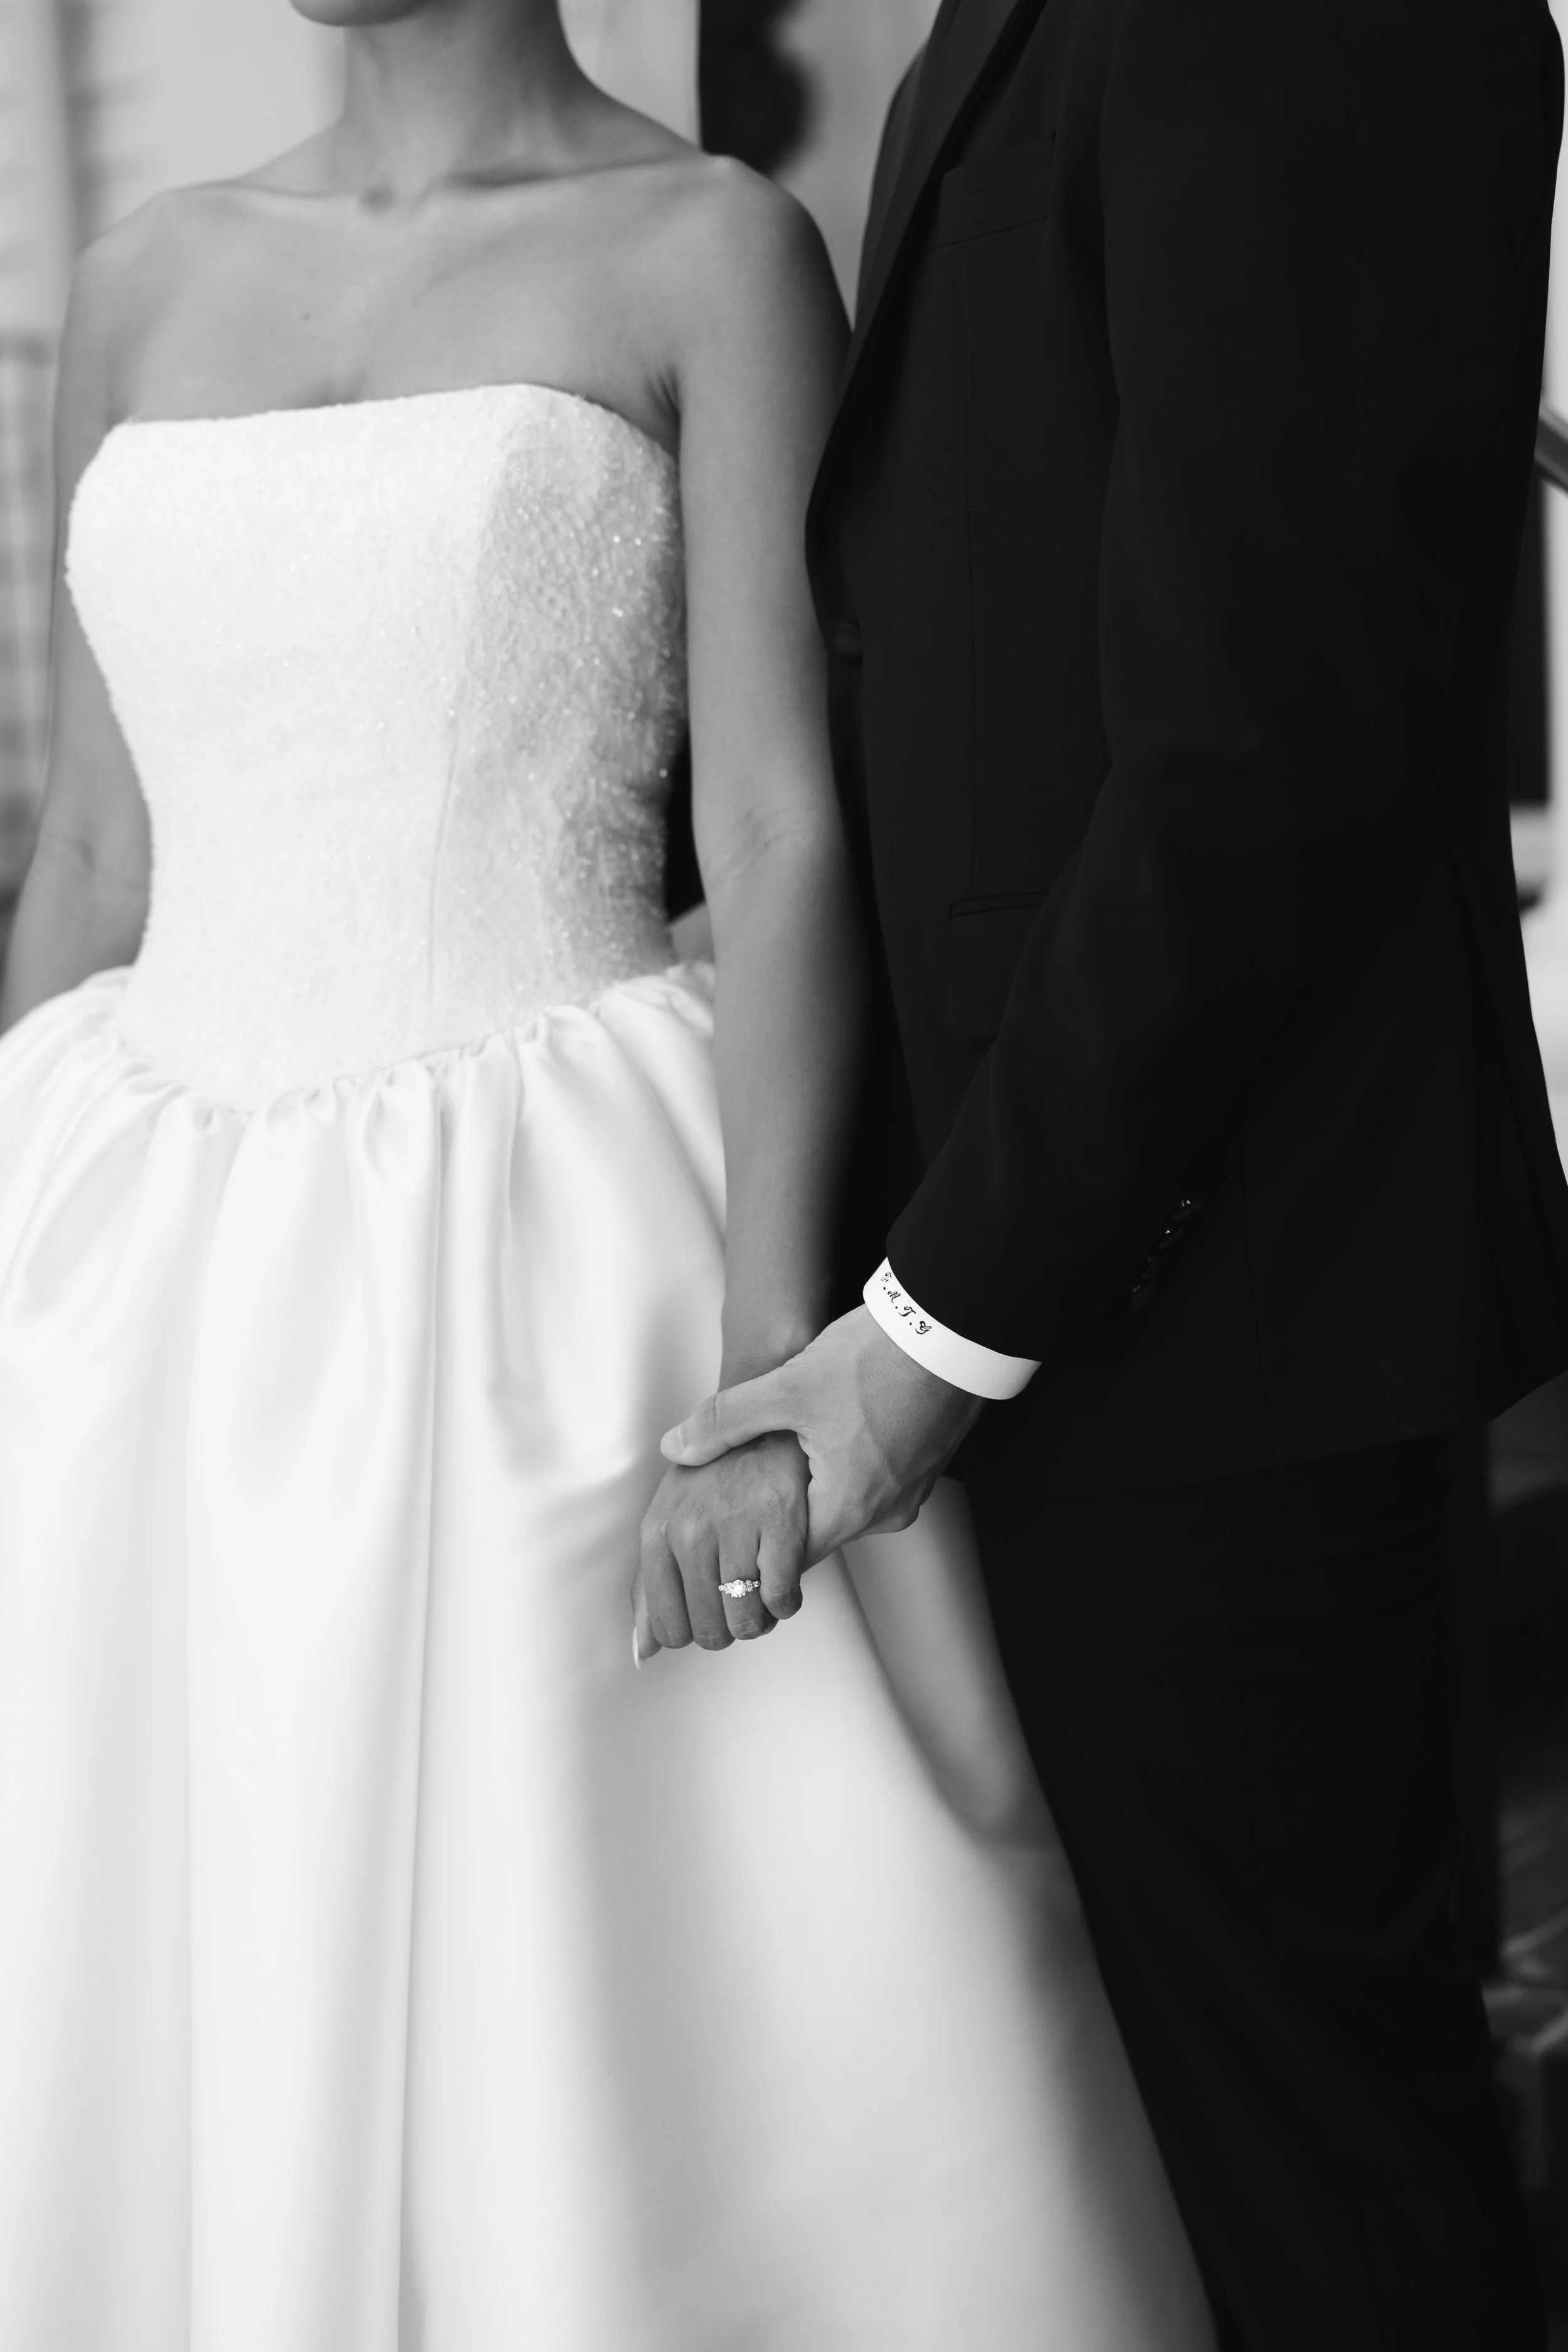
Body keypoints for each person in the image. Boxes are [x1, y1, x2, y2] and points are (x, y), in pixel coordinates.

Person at [0, 1, 1217, 2344]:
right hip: (128, 1272)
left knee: (584, 1957)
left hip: (541, 1245)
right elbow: (87, 846)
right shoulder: (142, 278)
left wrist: (769, 1353)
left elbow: (776, 833)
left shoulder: (707, 249)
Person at [654, 0, 1568, 2346]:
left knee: (1323, 2187)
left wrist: (931, 1332)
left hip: (1210, 1289)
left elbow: (1249, 749)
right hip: (1077, 1240)